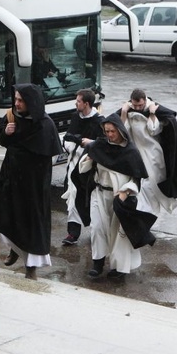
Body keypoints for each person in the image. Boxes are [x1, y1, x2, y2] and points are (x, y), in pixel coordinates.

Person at [0, 83, 63, 280]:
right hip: (11, 179)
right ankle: (14, 248)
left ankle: (31, 268)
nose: (17, 103)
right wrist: (7, 133)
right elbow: (2, 139)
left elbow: (46, 156)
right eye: (16, 99)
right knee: (5, 215)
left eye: (21, 100)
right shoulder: (12, 116)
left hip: (33, 186)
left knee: (31, 225)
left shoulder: (45, 125)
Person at [79, 113, 154, 280]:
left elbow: (136, 178)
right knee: (97, 228)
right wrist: (89, 157)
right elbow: (83, 169)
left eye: (112, 131)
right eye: (106, 131)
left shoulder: (131, 152)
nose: (109, 135)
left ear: (120, 130)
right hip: (99, 194)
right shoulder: (99, 145)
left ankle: (119, 268)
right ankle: (97, 264)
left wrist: (126, 191)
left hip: (119, 198)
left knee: (118, 234)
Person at [118, 89, 177, 217]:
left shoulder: (154, 109)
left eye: (140, 105)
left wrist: (152, 114)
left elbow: (153, 130)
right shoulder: (128, 110)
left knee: (149, 187)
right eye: (135, 106)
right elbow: (123, 131)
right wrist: (124, 112)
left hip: (153, 155)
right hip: (137, 153)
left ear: (145, 100)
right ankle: (144, 216)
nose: (138, 108)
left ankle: (148, 216)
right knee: (139, 187)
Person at [60, 89, 105, 245]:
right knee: (73, 196)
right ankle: (73, 233)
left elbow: (104, 143)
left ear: (86, 103)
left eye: (78, 101)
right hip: (74, 163)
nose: (76, 103)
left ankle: (96, 232)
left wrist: (89, 144)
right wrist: (71, 144)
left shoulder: (99, 121)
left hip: (90, 166)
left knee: (91, 199)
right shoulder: (75, 117)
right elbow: (68, 137)